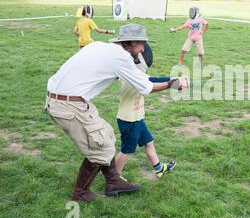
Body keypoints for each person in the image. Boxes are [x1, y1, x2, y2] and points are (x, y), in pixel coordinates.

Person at [46, 24, 181, 202]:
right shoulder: (122, 57)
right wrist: (173, 84)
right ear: (132, 42)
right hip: (68, 104)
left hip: (66, 98)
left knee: (107, 135)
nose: (142, 49)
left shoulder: (99, 46)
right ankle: (81, 192)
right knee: (100, 147)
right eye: (141, 44)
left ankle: (113, 180)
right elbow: (146, 87)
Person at [115, 41, 187, 179]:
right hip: (129, 120)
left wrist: (176, 78)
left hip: (137, 118)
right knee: (126, 150)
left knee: (148, 142)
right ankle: (115, 178)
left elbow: (153, 78)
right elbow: (150, 85)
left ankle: (159, 168)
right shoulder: (133, 75)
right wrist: (173, 84)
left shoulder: (135, 72)